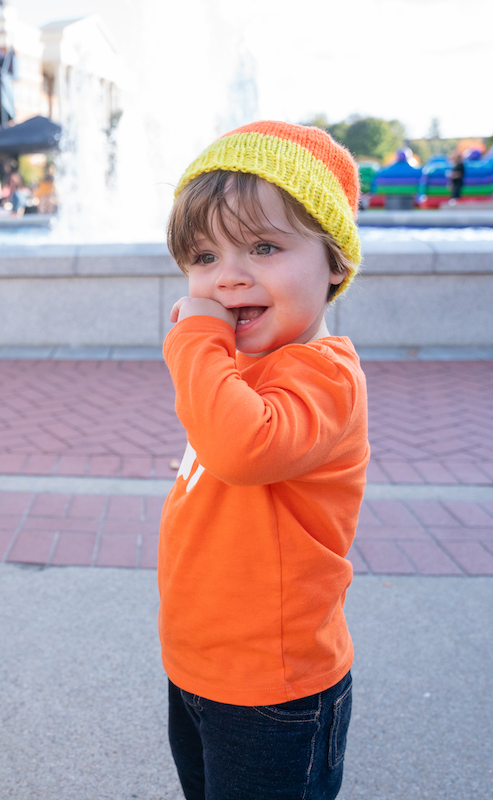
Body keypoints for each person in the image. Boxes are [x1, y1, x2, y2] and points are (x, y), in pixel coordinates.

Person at [161, 121, 369, 800]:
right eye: (204, 255)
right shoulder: (244, 367)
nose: (228, 277)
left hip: (275, 690)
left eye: (263, 246)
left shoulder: (325, 375)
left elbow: (240, 447)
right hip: (202, 669)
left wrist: (193, 337)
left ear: (334, 260)